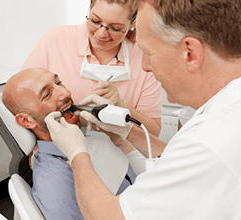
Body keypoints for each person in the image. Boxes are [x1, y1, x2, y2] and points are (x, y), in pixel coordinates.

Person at [45, 0, 241, 219]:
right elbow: (184, 162)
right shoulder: (226, 110)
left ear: (190, 53)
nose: (145, 66)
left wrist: (76, 152)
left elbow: (108, 216)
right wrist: (126, 134)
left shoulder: (210, 140)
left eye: (149, 52)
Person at [22, 0, 163, 195]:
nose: (102, 34)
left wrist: (121, 106)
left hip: (124, 152)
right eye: (95, 21)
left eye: (115, 28)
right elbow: (24, 97)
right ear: (89, 8)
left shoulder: (144, 55)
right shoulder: (56, 40)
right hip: (64, 151)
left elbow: (152, 132)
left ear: (133, 24)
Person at [2, 68, 145, 219]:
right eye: (46, 95)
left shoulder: (91, 137)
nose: (65, 93)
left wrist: (124, 131)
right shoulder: (54, 184)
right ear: (26, 120)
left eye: (59, 83)